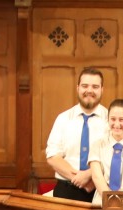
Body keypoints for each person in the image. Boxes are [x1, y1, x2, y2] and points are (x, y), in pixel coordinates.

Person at [45, 66, 107, 202]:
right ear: (78, 88)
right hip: (66, 190)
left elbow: (115, 156)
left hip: (98, 190)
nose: (89, 90)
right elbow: (53, 156)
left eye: (95, 87)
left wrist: (89, 175)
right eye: (85, 86)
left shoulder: (111, 120)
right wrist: (79, 177)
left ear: (102, 89)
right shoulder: (63, 119)